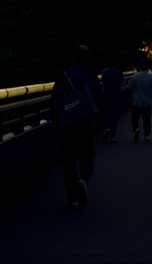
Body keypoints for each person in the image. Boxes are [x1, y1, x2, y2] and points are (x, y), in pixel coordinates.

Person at [50, 45, 103, 207]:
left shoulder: (64, 76)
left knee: (69, 159)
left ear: (73, 58)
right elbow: (99, 102)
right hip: (87, 122)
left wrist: (55, 122)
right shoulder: (93, 77)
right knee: (87, 156)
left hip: (68, 122)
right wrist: (100, 124)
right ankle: (84, 180)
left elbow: (55, 102)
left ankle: (72, 196)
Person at [122, 59, 152, 142]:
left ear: (139, 67)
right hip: (148, 102)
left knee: (134, 117)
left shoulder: (135, 77)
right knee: (147, 119)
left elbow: (129, 88)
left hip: (137, 101)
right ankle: (147, 135)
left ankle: (136, 128)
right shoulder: (151, 77)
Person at [100, 62, 124, 143]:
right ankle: (113, 137)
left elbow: (102, 82)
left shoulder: (104, 71)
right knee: (114, 117)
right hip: (116, 96)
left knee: (105, 114)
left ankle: (107, 127)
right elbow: (121, 83)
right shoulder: (119, 72)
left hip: (106, 95)